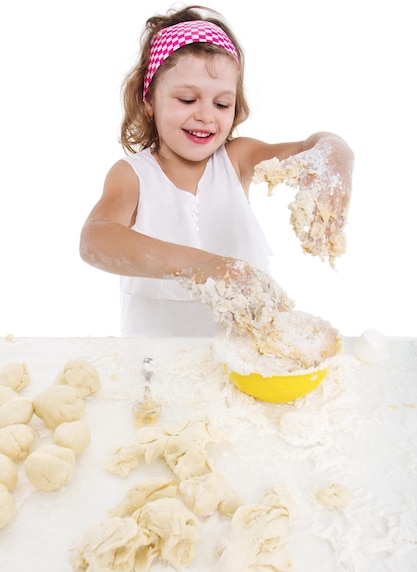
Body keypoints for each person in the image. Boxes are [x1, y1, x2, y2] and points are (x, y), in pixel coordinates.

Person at [79, 4, 354, 337]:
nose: (206, 116)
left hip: (242, 367)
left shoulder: (238, 159)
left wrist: (336, 161)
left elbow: (319, 145)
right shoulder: (134, 176)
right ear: (148, 99)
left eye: (221, 104)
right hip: (154, 367)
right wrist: (205, 267)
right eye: (187, 99)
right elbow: (96, 239)